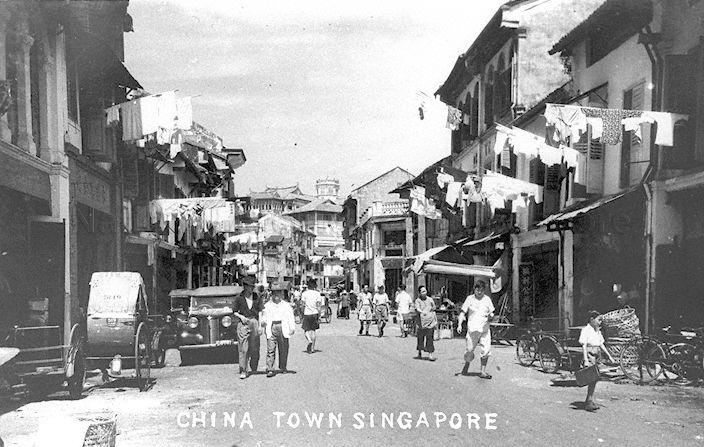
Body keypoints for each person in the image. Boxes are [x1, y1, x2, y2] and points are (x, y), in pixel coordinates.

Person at [457, 280, 494, 379]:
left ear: (484, 290)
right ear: (474, 289)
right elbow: (462, 313)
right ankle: (467, 363)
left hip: (484, 329)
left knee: (486, 350)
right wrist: (459, 325)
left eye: (481, 290)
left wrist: (491, 316)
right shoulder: (469, 299)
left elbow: (492, 313)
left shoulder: (487, 300)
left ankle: (483, 371)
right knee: (469, 351)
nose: (479, 292)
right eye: (477, 290)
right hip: (472, 329)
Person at [579, 310, 616, 411]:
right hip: (590, 353)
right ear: (592, 319)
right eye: (599, 320)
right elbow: (584, 346)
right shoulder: (585, 330)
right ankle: (589, 401)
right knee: (592, 377)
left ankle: (589, 399)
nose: (600, 322)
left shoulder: (597, 331)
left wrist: (609, 356)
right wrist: (586, 359)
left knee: (596, 377)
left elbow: (601, 344)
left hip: (597, 353)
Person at [261, 284, 296, 377]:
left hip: (283, 326)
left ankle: (283, 366)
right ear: (271, 294)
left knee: (283, 348)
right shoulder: (267, 305)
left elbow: (290, 317)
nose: (276, 294)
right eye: (274, 292)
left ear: (282, 294)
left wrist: (292, 327)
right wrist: (263, 322)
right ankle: (270, 368)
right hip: (272, 326)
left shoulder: (286, 305)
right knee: (270, 349)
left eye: (278, 292)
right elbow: (264, 316)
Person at [233, 276, 263, 379]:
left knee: (255, 347)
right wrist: (241, 317)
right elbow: (234, 312)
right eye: (249, 287)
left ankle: (253, 366)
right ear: (244, 287)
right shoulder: (239, 298)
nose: (251, 289)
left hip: (254, 321)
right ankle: (243, 370)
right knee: (243, 348)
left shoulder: (257, 297)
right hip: (243, 323)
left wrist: (260, 325)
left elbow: (260, 312)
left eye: (252, 287)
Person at [414, 285, 437, 361]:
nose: (424, 293)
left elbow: (434, 307)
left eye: (425, 291)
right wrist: (422, 312)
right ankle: (420, 352)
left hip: (430, 322)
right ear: (419, 293)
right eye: (422, 291)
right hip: (421, 323)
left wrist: (431, 312)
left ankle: (430, 354)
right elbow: (417, 308)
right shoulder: (418, 300)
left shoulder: (430, 299)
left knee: (430, 337)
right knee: (420, 338)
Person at [301, 282, 323, 353]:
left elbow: (302, 305)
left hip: (307, 313)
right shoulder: (317, 294)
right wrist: (319, 315)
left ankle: (309, 340)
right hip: (315, 313)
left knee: (306, 330)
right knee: (313, 331)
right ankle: (313, 348)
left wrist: (302, 313)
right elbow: (319, 305)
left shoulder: (304, 293)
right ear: (314, 287)